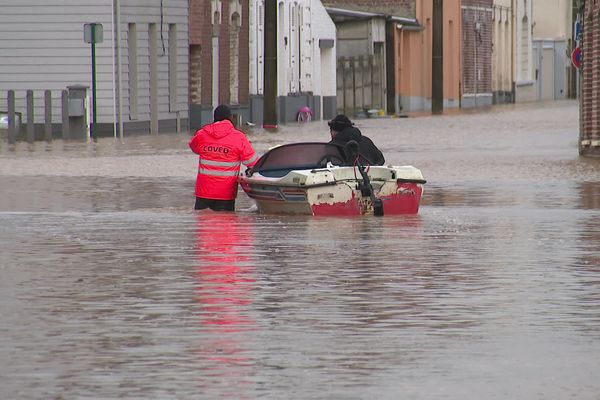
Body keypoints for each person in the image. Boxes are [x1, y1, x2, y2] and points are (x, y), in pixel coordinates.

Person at [189, 105, 259, 211]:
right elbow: (253, 162)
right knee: (226, 224)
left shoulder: (202, 134)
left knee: (203, 224)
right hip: (226, 194)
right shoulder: (239, 137)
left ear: (214, 117)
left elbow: (194, 147)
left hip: (203, 193)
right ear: (230, 118)